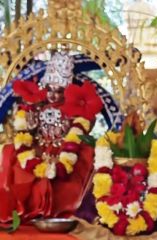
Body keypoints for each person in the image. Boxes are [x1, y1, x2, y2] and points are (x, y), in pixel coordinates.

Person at [0, 51, 103, 224]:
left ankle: (63, 210)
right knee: (11, 152)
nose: (53, 95)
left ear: (67, 92)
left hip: (65, 152)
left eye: (59, 91)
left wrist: (73, 127)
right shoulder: (37, 107)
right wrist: (31, 128)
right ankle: (25, 207)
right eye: (49, 89)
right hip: (39, 149)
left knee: (86, 156)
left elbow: (81, 129)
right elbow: (27, 133)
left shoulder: (73, 109)